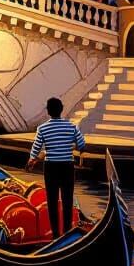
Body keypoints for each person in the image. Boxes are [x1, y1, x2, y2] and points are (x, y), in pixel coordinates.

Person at [26, 97, 86, 238]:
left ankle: (55, 234)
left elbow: (35, 149)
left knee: (52, 201)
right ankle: (67, 232)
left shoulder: (42, 128)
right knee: (67, 200)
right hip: (67, 166)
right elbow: (82, 145)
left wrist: (31, 161)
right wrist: (73, 147)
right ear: (61, 110)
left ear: (48, 111)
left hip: (51, 167)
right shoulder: (72, 127)